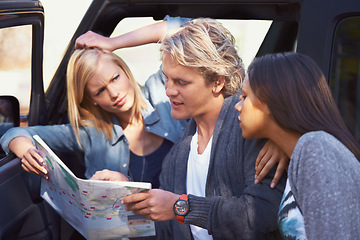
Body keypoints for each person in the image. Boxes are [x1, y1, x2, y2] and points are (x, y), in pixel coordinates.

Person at [92, 17, 287, 240]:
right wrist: (130, 194)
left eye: (181, 82)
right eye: (166, 79)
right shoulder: (177, 156)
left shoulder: (250, 128)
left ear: (217, 82)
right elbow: (165, 230)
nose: (169, 91)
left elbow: (261, 215)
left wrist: (181, 207)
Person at [0, 48, 187, 188]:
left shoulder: (162, 90)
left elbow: (189, 32)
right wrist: (26, 152)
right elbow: (16, 132)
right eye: (100, 91)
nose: (114, 93)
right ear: (92, 99)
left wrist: (113, 43)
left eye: (115, 78)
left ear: (125, 69)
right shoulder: (91, 132)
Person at [235, 52, 360, 239]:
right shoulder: (304, 151)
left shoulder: (316, 149)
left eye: (245, 96)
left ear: (269, 100)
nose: (237, 106)